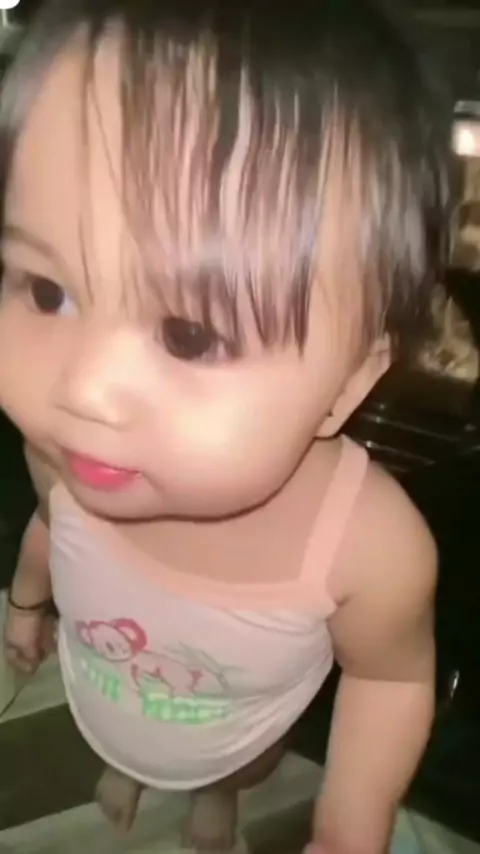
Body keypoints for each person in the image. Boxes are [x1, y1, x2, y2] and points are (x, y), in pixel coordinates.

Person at [0, 1, 451, 852]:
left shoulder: (367, 548)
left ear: (347, 385)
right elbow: (52, 526)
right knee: (125, 744)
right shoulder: (66, 456)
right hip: (107, 691)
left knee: (229, 771)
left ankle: (215, 796)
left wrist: (349, 829)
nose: (82, 391)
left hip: (237, 737)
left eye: (189, 335)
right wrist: (27, 602)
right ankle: (132, 768)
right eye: (47, 292)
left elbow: (389, 678)